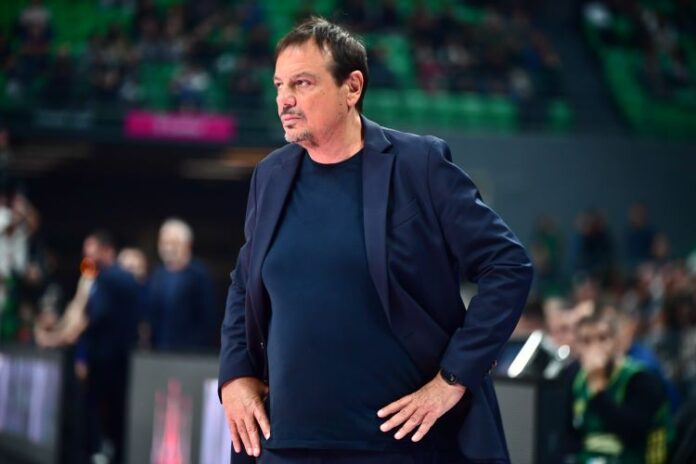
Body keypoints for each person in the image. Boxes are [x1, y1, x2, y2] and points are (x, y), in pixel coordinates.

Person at [218, 18, 534, 464]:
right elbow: (243, 283)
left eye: (302, 83)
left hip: (395, 446)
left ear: (352, 87)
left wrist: (453, 378)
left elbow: (508, 265)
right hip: (285, 442)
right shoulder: (271, 174)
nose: (284, 99)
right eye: (279, 85)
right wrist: (234, 376)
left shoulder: (418, 164)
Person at [567, 312, 672, 464]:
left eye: (602, 338)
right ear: (577, 347)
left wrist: (598, 391)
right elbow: (568, 438)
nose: (595, 347)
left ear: (616, 341)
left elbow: (632, 435)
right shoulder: (574, 380)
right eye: (586, 341)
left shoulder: (641, 379)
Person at [75, 230, 140, 464]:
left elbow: (95, 317)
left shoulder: (106, 278)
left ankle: (98, 450)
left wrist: (79, 348)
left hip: (104, 359)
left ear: (106, 249)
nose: (87, 255)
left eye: (91, 249)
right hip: (124, 358)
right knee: (118, 413)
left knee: (98, 411)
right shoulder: (127, 279)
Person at [146, 218, 217, 351]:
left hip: (190, 352)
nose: (168, 248)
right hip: (159, 351)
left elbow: (208, 317)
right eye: (163, 243)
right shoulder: (157, 274)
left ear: (187, 245)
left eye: (173, 243)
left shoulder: (199, 274)